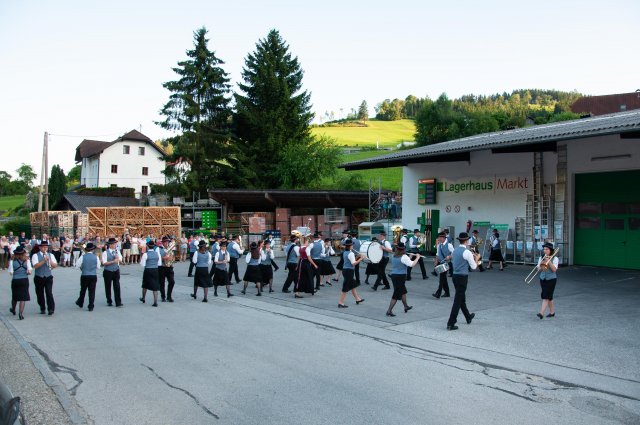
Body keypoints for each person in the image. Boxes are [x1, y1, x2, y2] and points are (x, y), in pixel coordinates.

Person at [446, 232, 478, 330]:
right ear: (467, 240)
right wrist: (477, 259)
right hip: (462, 277)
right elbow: (474, 267)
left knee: (461, 297)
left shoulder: (455, 251)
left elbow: (453, 260)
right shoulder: (467, 252)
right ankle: (451, 322)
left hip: (455, 276)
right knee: (458, 299)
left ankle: (468, 316)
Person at [386, 242, 421, 317]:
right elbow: (411, 264)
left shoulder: (394, 256)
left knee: (403, 292)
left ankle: (406, 306)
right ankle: (389, 311)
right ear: (403, 249)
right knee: (396, 294)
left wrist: (410, 258)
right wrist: (417, 257)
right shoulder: (404, 257)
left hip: (394, 276)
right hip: (400, 277)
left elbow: (403, 263)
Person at [32, 240, 57, 315]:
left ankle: (51, 309)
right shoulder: (35, 255)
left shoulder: (51, 255)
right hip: (39, 277)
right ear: (40, 248)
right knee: (40, 294)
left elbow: (55, 265)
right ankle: (42, 307)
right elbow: (35, 266)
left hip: (48, 276)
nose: (45, 249)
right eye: (43, 247)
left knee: (49, 293)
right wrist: (43, 260)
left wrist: (49, 260)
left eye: (46, 247)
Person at [338, 239, 364, 308]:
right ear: (350, 246)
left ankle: (357, 299)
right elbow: (353, 263)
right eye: (352, 245)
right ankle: (341, 303)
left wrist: (357, 256)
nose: (353, 246)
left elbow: (351, 260)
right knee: (345, 288)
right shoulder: (351, 253)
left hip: (345, 270)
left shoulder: (345, 252)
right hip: (349, 271)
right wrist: (361, 259)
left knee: (352, 286)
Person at [75, 242, 101, 311]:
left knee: (83, 290)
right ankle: (91, 306)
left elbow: (77, 265)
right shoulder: (96, 257)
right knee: (92, 291)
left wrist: (82, 267)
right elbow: (98, 267)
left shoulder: (83, 257)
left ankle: (81, 302)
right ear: (92, 250)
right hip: (93, 275)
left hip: (85, 275)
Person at [536, 243, 559, 319]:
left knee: (545, 296)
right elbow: (539, 269)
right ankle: (552, 312)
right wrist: (541, 264)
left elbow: (554, 270)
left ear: (550, 250)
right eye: (544, 249)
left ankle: (541, 313)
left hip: (551, 279)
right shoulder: (541, 257)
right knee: (549, 296)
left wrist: (549, 261)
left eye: (547, 249)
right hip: (543, 279)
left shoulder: (555, 258)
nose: (545, 250)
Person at [8, 246, 31, 320]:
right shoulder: (27, 261)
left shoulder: (12, 261)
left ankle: (13, 309)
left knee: (14, 296)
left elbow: (11, 273)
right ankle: (20, 314)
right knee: (23, 298)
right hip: (24, 279)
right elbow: (29, 272)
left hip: (15, 280)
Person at [101, 238, 123, 307]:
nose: (115, 245)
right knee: (108, 286)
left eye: (115, 243)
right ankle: (109, 300)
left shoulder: (117, 251)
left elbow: (121, 261)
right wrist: (113, 261)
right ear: (110, 245)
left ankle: (118, 302)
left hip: (116, 270)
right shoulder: (105, 252)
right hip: (108, 271)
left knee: (117, 286)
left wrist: (118, 258)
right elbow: (104, 263)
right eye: (114, 244)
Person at [140, 240, 161, 307]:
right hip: (155, 270)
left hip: (148, 269)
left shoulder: (145, 254)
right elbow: (159, 263)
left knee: (145, 284)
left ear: (147, 246)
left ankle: (143, 298)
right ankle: (155, 302)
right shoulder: (157, 254)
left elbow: (142, 264)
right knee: (155, 286)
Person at [432, 232, 453, 299]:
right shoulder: (439, 245)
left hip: (447, 263)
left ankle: (438, 293)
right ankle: (447, 293)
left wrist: (449, 256)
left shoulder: (449, 245)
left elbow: (454, 253)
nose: (439, 239)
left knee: (441, 278)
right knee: (444, 279)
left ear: (444, 238)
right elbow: (437, 254)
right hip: (441, 263)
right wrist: (435, 262)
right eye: (439, 238)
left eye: (440, 238)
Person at [158, 237, 176, 302]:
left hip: (169, 267)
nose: (167, 243)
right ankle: (163, 296)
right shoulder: (159, 249)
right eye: (165, 242)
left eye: (168, 242)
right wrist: (163, 258)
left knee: (172, 282)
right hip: (162, 267)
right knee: (161, 283)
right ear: (162, 242)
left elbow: (172, 257)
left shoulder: (170, 248)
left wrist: (172, 259)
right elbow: (157, 258)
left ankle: (169, 296)